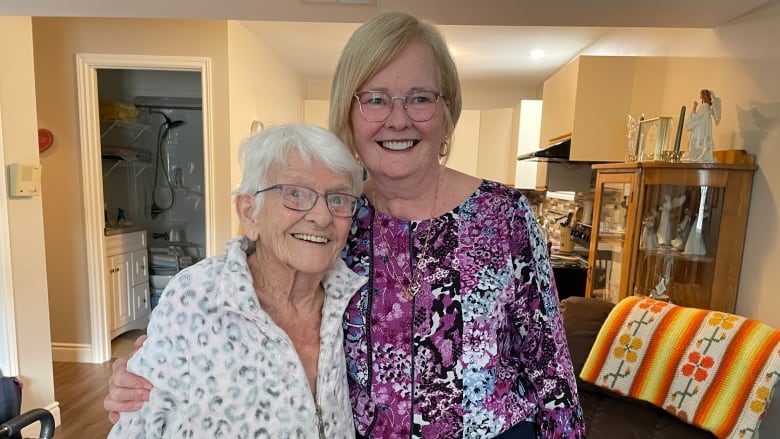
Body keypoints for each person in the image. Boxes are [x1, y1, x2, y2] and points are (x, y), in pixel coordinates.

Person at [106, 11, 585, 438]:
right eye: (375, 99)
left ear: (445, 111)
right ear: (349, 114)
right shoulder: (334, 217)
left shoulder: (504, 216)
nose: (398, 119)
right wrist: (156, 363)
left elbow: (551, 372)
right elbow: (246, 289)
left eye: (419, 98)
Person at [106, 124, 365, 438]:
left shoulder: (358, 301)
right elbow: (136, 424)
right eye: (295, 194)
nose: (322, 217)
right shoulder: (196, 297)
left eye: (338, 198)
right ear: (249, 212)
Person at [685, 89, 721, 162]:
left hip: (701, 129)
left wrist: (694, 107)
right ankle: (697, 154)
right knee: (698, 142)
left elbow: (696, 116)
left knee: (697, 142)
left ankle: (697, 155)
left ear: (704, 96)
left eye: (701, 95)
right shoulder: (707, 107)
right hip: (703, 127)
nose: (700, 96)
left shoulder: (704, 106)